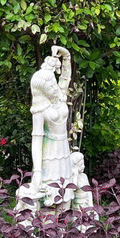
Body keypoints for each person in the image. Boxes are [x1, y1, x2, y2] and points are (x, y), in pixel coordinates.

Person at [29, 45, 73, 210]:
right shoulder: (39, 111)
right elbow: (36, 141)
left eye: (53, 84)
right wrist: (38, 172)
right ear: (41, 90)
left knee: (66, 196)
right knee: (50, 197)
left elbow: (66, 78)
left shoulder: (60, 96)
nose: (54, 89)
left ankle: (65, 230)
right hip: (49, 155)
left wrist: (66, 57)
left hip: (64, 150)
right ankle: (48, 229)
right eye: (49, 87)